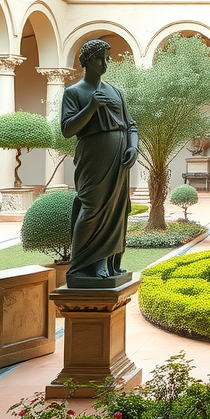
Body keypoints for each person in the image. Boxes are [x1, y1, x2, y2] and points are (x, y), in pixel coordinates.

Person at [61, 39, 138, 285]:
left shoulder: (116, 92)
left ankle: (105, 261)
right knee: (92, 208)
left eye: (106, 58)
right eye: (98, 59)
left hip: (119, 161)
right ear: (86, 61)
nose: (104, 63)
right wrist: (92, 107)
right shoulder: (73, 93)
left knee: (117, 209)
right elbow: (67, 129)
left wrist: (133, 146)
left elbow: (131, 125)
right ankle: (82, 264)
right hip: (92, 159)